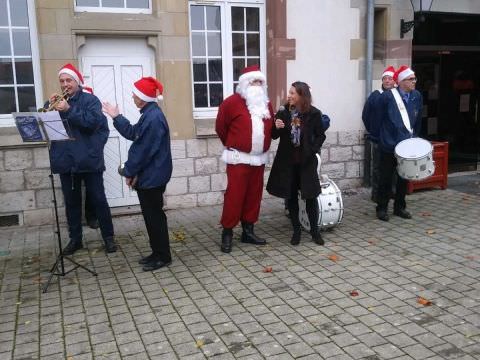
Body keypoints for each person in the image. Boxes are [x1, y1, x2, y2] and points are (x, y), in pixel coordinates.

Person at [102, 77, 173, 272]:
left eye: (135, 93)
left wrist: (129, 171)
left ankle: (163, 256)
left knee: (154, 217)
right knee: (151, 216)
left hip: (153, 176)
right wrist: (116, 117)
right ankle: (157, 252)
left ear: (143, 97)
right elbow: (134, 133)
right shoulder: (149, 114)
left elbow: (142, 151)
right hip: (150, 175)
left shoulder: (153, 118)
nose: (132, 96)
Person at [48, 63, 116, 255]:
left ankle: (109, 238)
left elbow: (92, 123)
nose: (65, 84)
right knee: (71, 203)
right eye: (62, 81)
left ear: (77, 82)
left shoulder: (91, 100)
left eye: (68, 80)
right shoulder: (55, 102)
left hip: (88, 160)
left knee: (98, 200)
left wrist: (69, 109)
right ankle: (75, 239)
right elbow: (50, 129)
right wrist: (51, 108)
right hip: (66, 161)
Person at [215, 65, 274, 253]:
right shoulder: (231, 103)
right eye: (254, 81)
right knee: (234, 196)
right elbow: (221, 128)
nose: (258, 85)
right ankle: (227, 233)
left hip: (258, 160)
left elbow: (270, 129)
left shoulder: (266, 104)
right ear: (245, 84)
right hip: (238, 159)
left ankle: (248, 231)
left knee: (253, 196)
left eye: (260, 82)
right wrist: (234, 143)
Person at [266, 82, 326, 245]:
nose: (289, 95)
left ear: (302, 95)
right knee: (291, 197)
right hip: (288, 163)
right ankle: (296, 230)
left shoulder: (314, 114)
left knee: (311, 197)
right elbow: (273, 135)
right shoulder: (283, 112)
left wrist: (313, 149)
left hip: (306, 163)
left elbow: (321, 135)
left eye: (293, 93)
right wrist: (276, 126)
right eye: (289, 92)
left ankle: (315, 231)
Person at [376, 65, 423, 221]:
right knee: (386, 178)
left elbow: (418, 120)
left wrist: (415, 137)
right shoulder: (387, 97)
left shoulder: (417, 96)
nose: (414, 81)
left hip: (407, 145)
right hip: (389, 145)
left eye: (414, 79)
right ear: (402, 81)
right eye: (411, 79)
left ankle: (400, 207)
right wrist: (382, 138)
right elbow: (376, 119)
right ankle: (382, 208)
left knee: (404, 176)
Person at [362, 66, 396, 202]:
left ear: (394, 81)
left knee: (393, 167)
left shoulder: (397, 96)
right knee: (377, 167)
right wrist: (374, 130)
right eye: (385, 79)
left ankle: (391, 191)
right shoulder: (375, 95)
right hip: (379, 139)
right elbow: (366, 115)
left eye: (390, 78)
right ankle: (376, 194)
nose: (387, 81)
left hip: (394, 139)